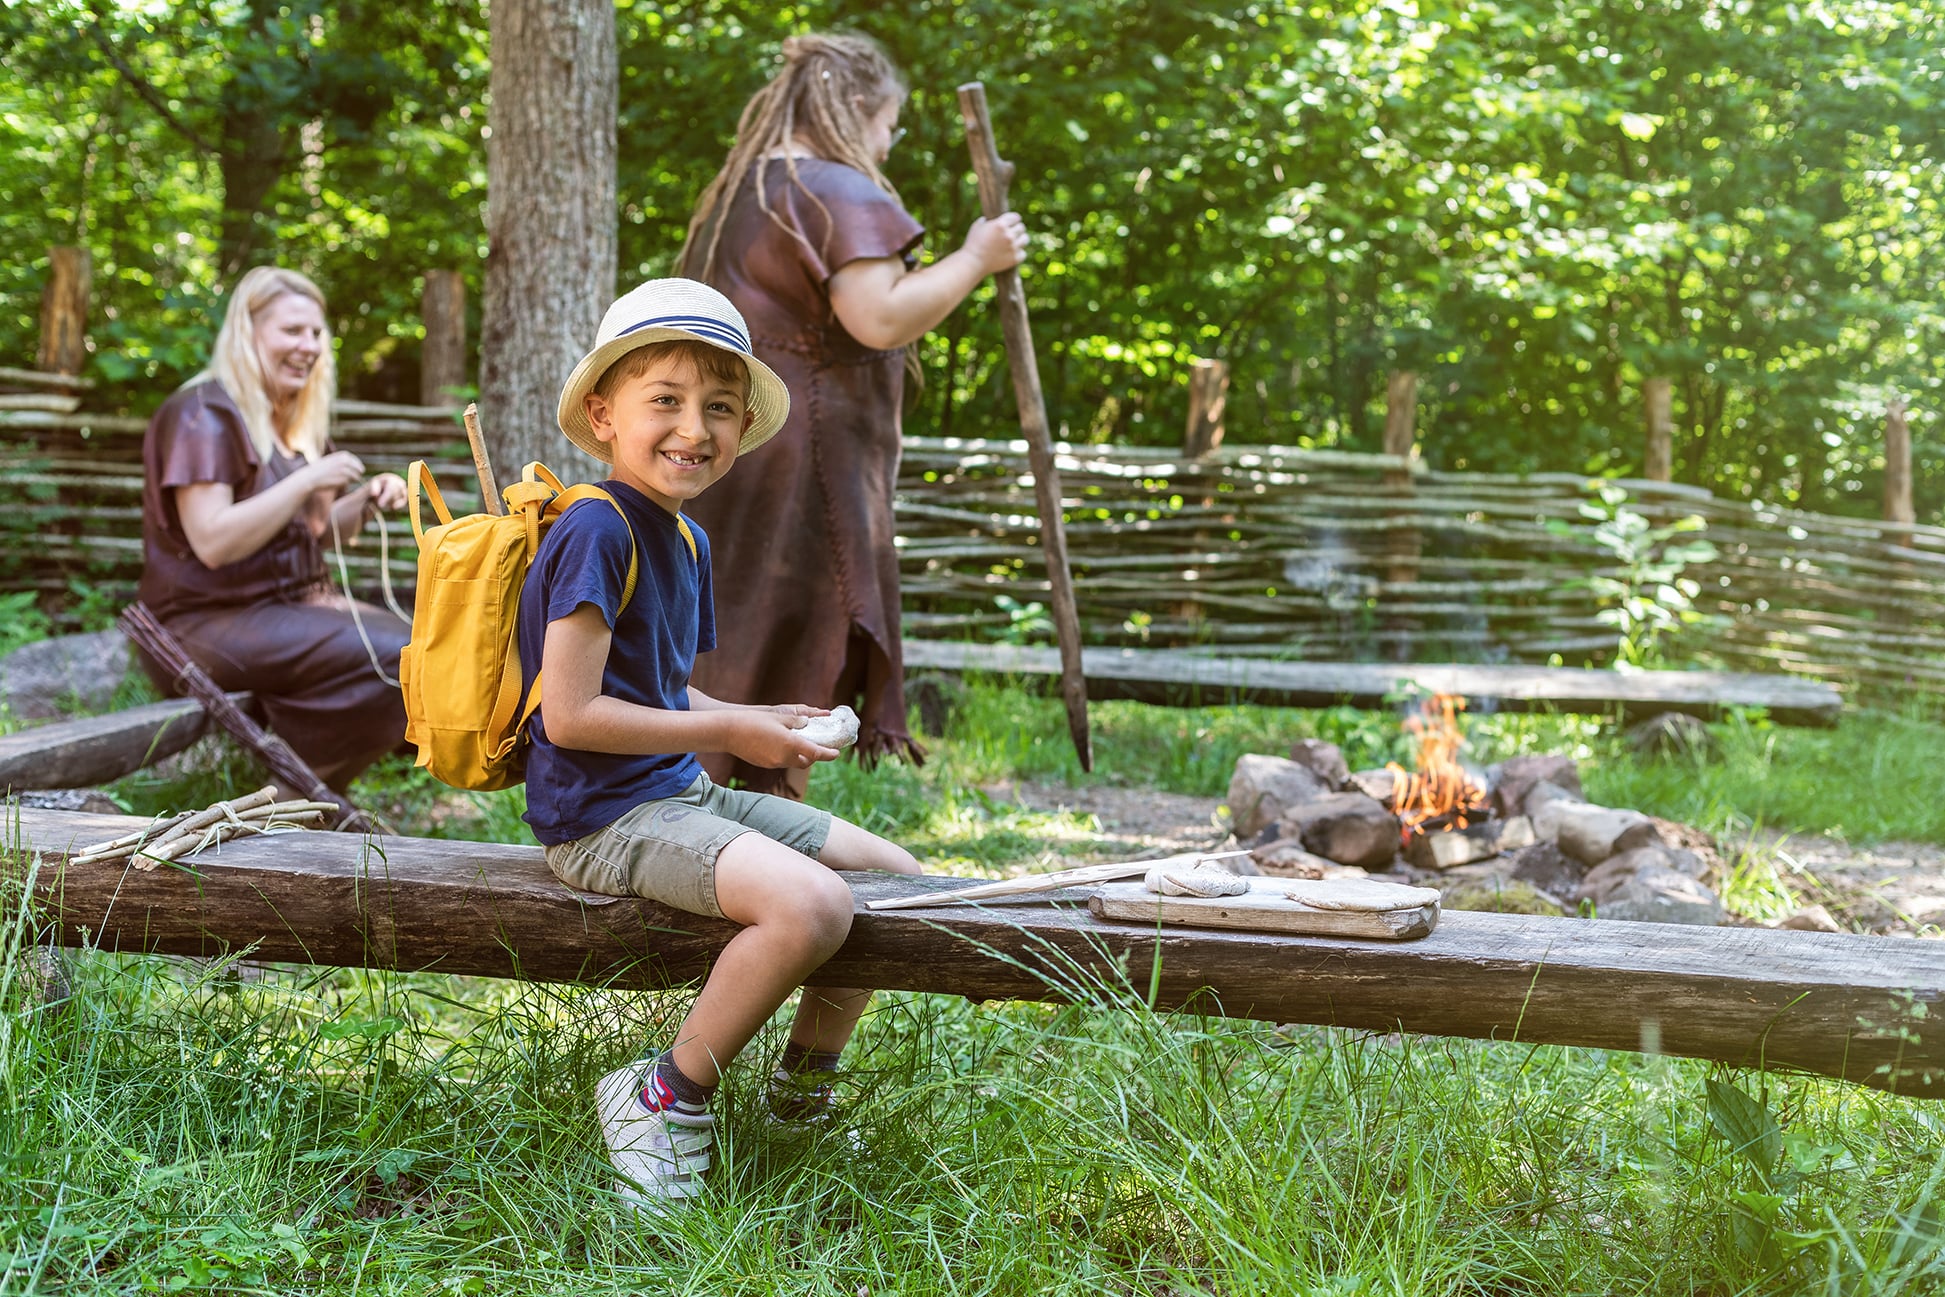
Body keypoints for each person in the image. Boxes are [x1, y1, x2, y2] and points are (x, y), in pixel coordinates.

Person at [522, 278, 921, 1214]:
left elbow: (662, 690)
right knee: (815, 908)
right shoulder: (596, 527)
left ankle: (798, 1093)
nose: (692, 427)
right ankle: (664, 1093)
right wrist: (725, 730)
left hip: (677, 797)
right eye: (663, 399)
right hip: (602, 820)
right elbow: (571, 716)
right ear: (602, 412)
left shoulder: (685, 539)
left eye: (719, 408)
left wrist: (757, 717)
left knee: (897, 877)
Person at [677, 31, 1030, 797]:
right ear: (854, 110)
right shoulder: (834, 189)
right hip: (802, 455)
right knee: (795, 626)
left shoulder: (748, 188)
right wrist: (976, 257)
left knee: (734, 624)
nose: (889, 141)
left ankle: (712, 809)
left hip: (738, 441)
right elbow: (877, 317)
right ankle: (768, 819)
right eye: (889, 123)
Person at [137, 266, 410, 791]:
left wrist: (367, 501)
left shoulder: (293, 421)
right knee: (400, 654)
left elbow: (316, 530)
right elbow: (214, 540)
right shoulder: (202, 414)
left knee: (433, 645)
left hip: (287, 611)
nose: (308, 345)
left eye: (315, 333)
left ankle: (307, 796)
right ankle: (290, 801)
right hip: (203, 623)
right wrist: (309, 478)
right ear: (248, 331)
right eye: (291, 331)